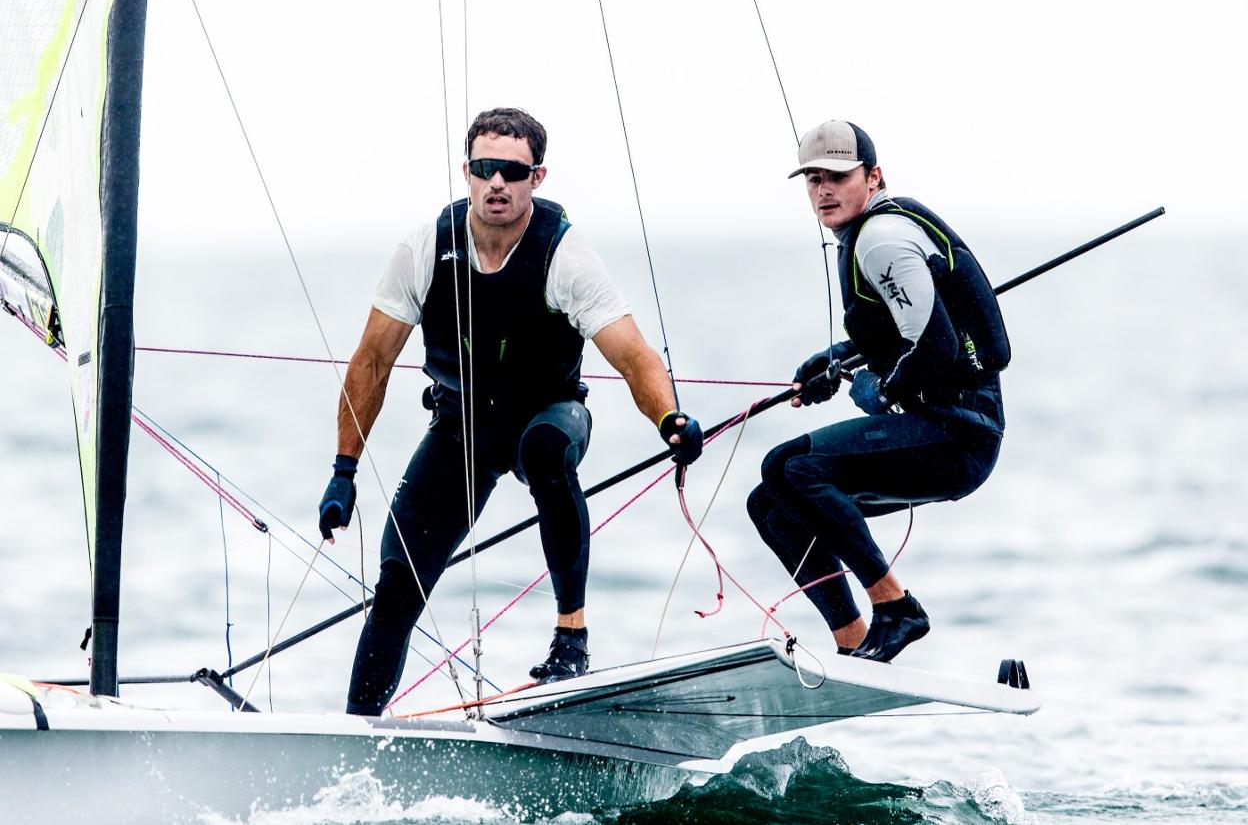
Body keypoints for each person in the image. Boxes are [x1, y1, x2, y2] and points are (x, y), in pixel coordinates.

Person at [318, 107, 703, 715]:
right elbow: (371, 362)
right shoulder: (424, 249)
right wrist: (344, 471)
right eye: (484, 168)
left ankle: (570, 638)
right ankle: (356, 734)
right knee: (396, 586)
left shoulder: (565, 256)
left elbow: (633, 355)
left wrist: (669, 420)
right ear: (466, 171)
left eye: (513, 171)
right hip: (461, 427)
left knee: (544, 451)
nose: (497, 182)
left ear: (537, 177)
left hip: (549, 414)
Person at [747, 119, 1009, 663]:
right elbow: (901, 331)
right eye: (813, 179)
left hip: (957, 435)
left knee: (791, 468)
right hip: (942, 425)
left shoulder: (882, 240)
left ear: (873, 177)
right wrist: (839, 358)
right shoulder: (880, 231)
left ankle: (896, 609)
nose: (824, 190)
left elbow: (934, 350)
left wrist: (874, 390)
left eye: (838, 177)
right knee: (772, 506)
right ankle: (854, 641)